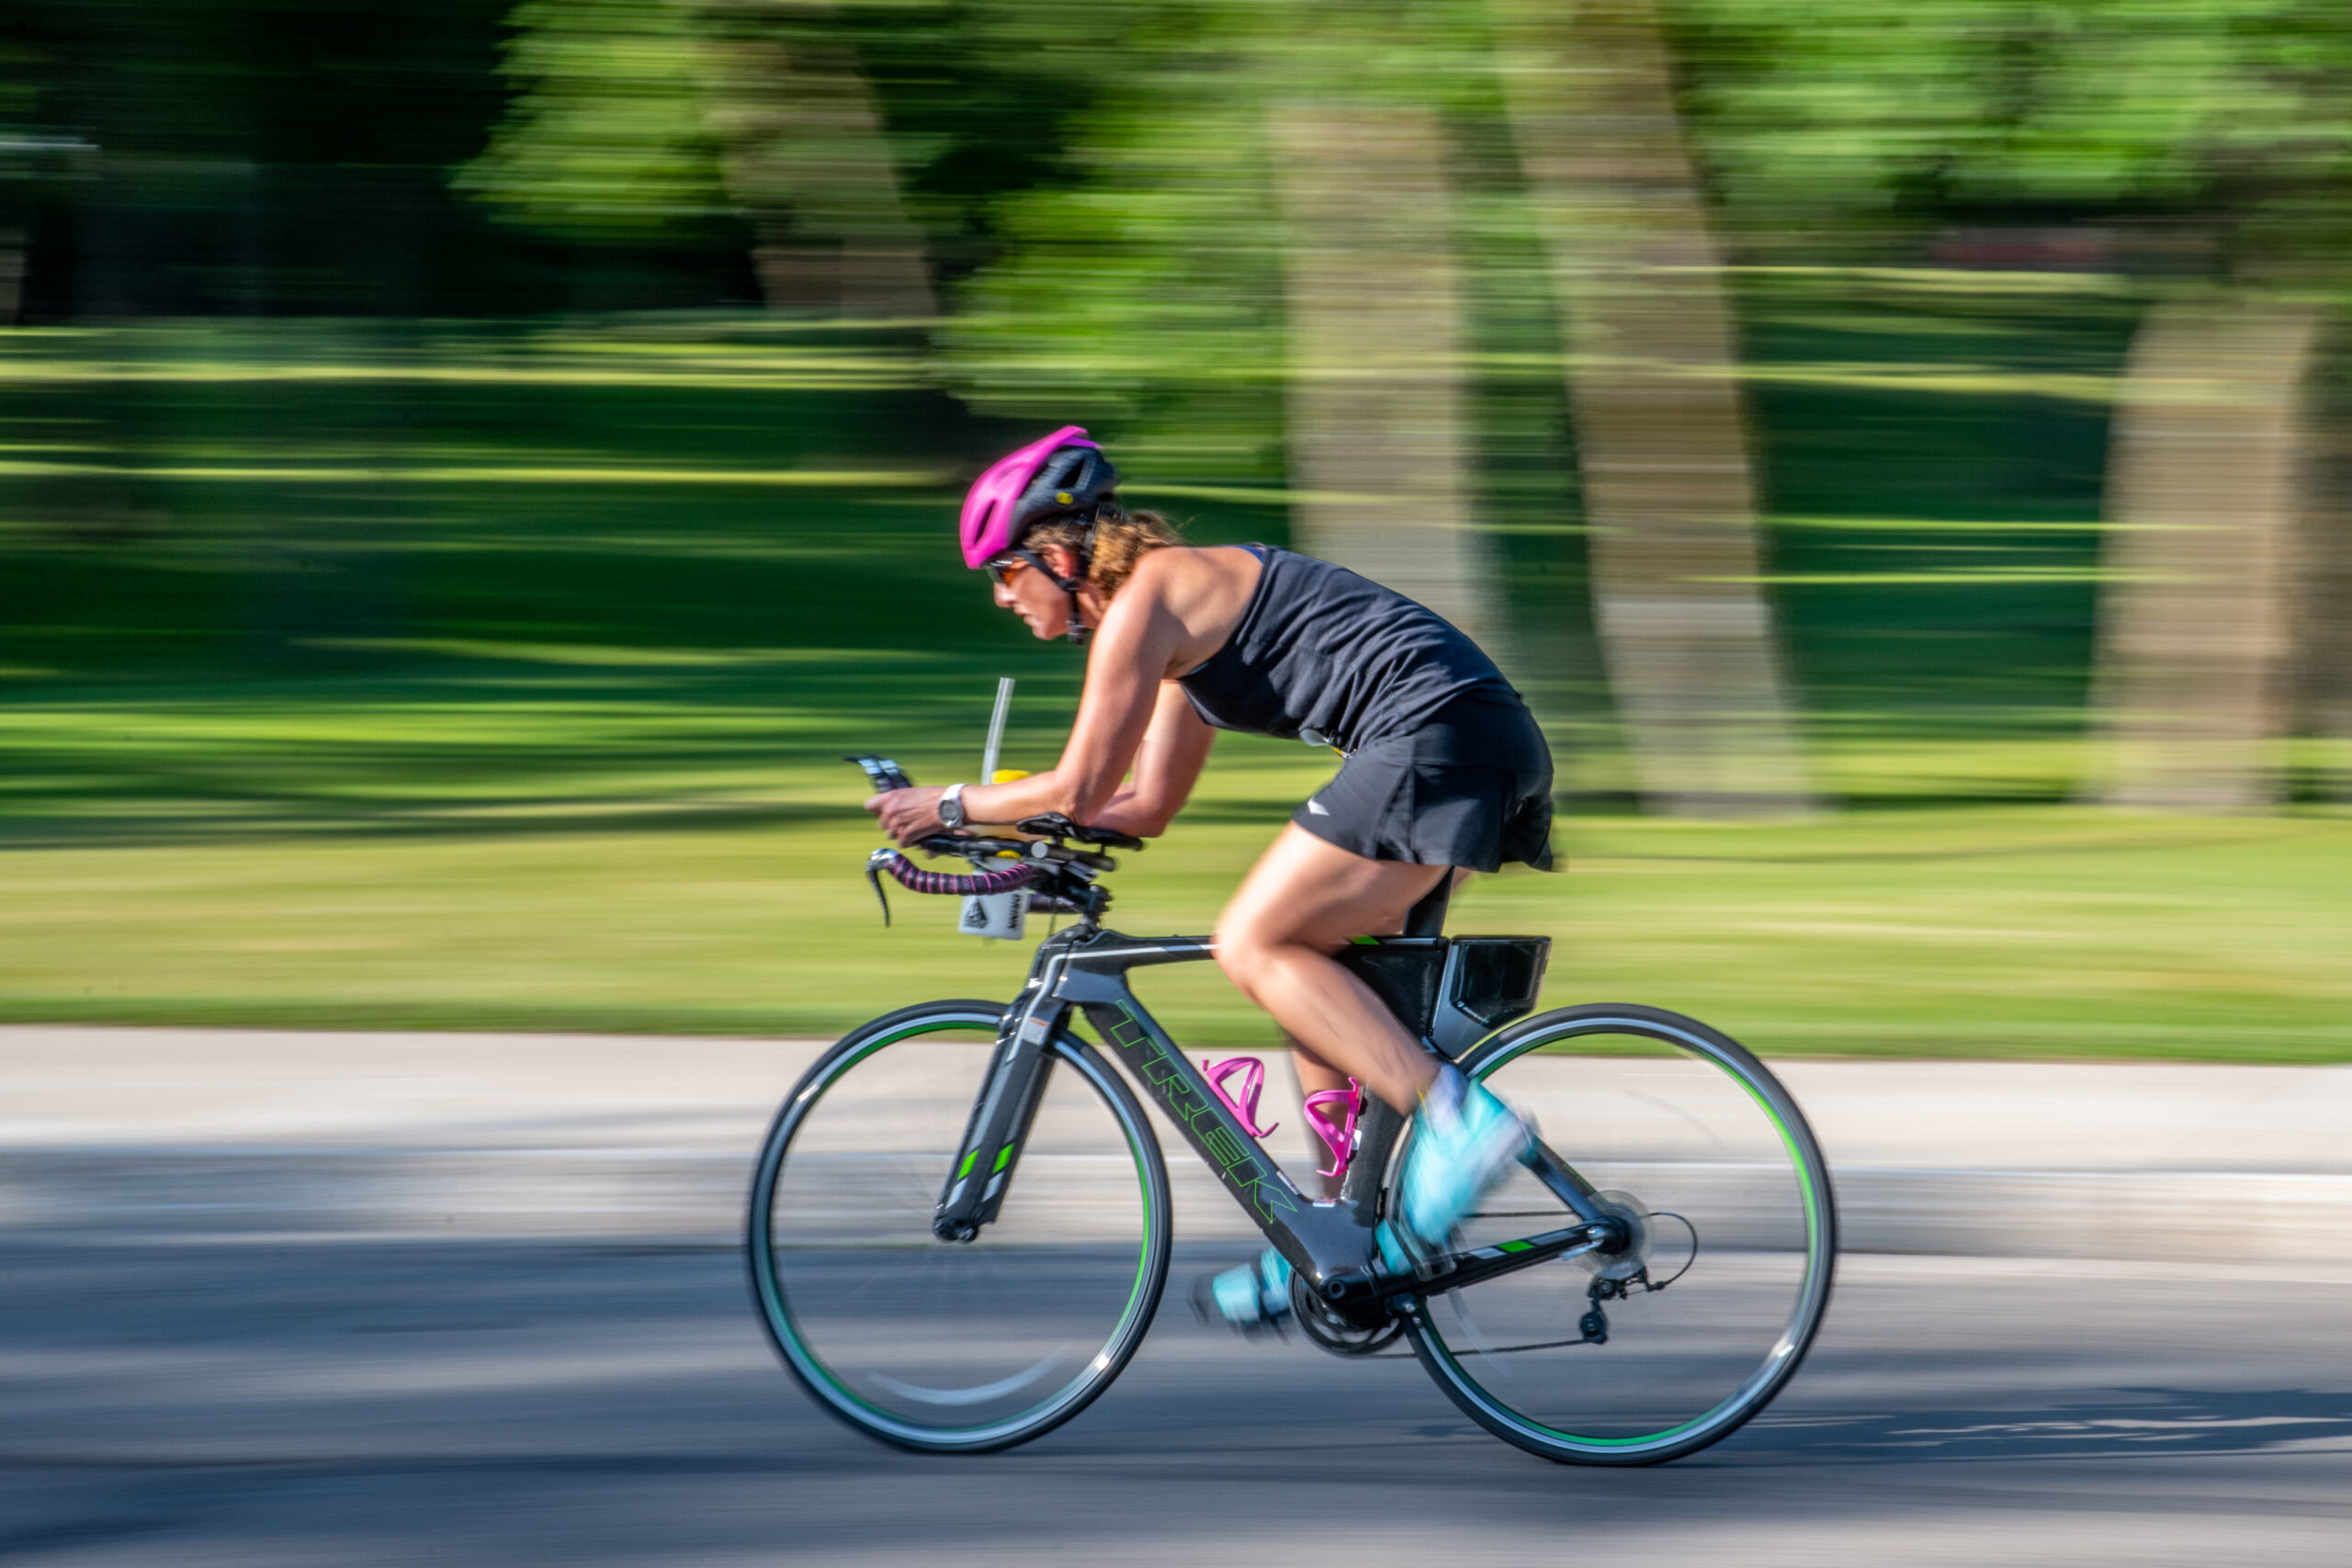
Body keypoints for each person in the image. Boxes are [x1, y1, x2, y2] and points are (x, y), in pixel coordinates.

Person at [864, 426, 1555, 1333]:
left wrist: (951, 805)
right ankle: (1341, 1240)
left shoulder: (1145, 602)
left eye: (1003, 572)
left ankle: (1459, 1121)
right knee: (1318, 971)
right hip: (1473, 738)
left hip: (1435, 735)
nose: (1000, 596)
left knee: (1253, 940)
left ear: (1057, 559)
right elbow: (1143, 804)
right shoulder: (1173, 622)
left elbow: (1080, 786)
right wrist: (1023, 833)